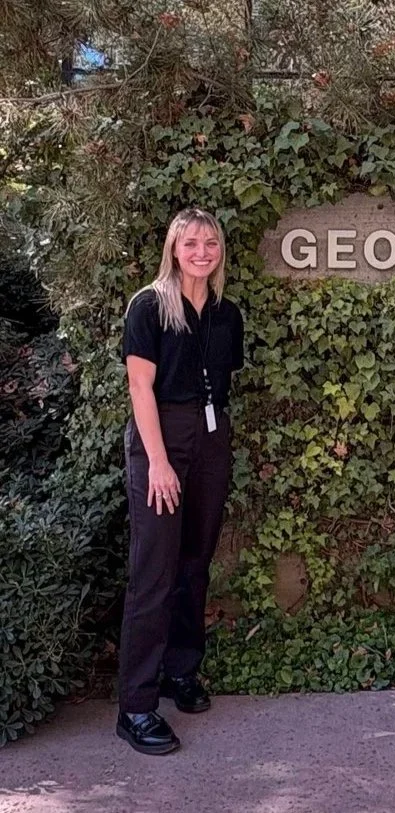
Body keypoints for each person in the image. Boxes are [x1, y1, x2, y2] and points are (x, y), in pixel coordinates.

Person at [117, 208, 244, 755]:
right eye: (190, 242)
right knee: (155, 571)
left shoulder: (226, 313)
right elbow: (141, 389)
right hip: (159, 439)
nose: (200, 251)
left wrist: (207, 443)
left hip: (211, 437)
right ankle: (135, 706)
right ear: (173, 249)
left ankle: (180, 671)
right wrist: (159, 461)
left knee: (195, 563)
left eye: (209, 242)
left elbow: (221, 383)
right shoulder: (148, 306)